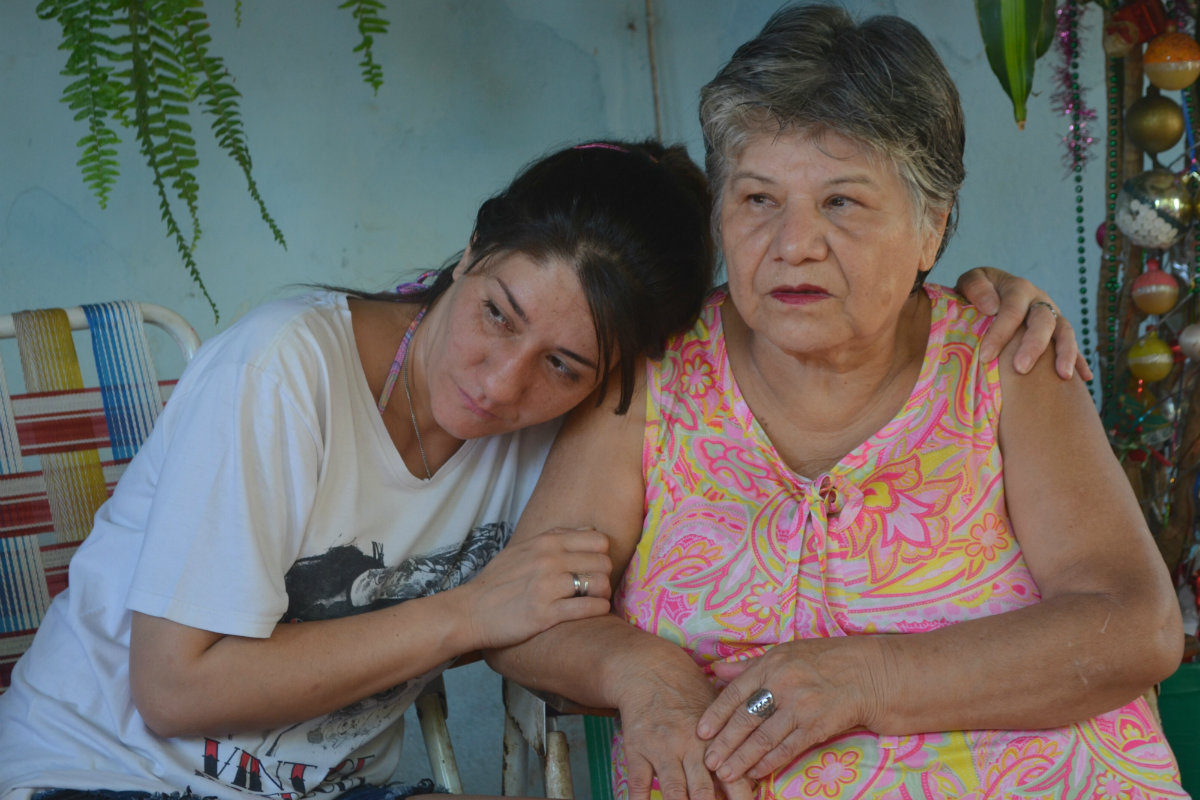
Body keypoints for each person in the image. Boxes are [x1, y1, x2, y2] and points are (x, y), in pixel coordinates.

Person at [0, 134, 1074, 800]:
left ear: (617, 376)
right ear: (470, 253)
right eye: (495, 312)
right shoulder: (287, 367)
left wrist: (959, 290)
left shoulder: (570, 430)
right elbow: (175, 684)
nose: (497, 382)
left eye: (562, 363)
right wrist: (471, 612)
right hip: (99, 771)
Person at [485, 7, 1187, 800]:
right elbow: (528, 614)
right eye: (757, 200)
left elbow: (1136, 625)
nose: (794, 244)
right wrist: (643, 674)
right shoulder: (657, 372)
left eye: (842, 203)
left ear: (933, 228)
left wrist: (867, 677)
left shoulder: (1006, 358)